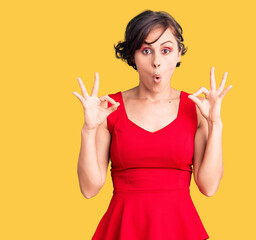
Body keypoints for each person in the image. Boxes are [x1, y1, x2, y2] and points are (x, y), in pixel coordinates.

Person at [72, 9, 232, 240]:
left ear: (178, 54)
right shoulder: (109, 108)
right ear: (132, 57)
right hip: (123, 227)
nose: (156, 62)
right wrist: (88, 129)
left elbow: (209, 187)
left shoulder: (196, 108)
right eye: (146, 50)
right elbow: (89, 189)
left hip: (180, 228)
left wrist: (215, 123)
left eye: (165, 50)